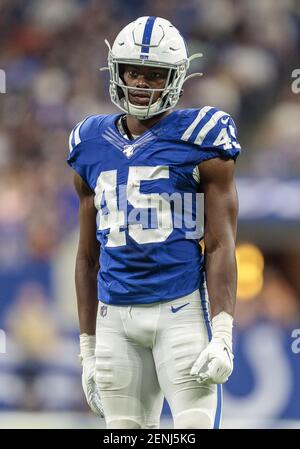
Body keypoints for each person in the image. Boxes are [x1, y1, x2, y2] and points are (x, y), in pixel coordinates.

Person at [67, 16, 240, 429]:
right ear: (117, 71)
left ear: (175, 79)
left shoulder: (202, 135)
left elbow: (220, 244)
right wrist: (87, 349)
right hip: (114, 320)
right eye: (134, 72)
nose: (142, 83)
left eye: (155, 75)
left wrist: (223, 334)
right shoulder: (88, 143)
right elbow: (87, 257)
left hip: (180, 310)